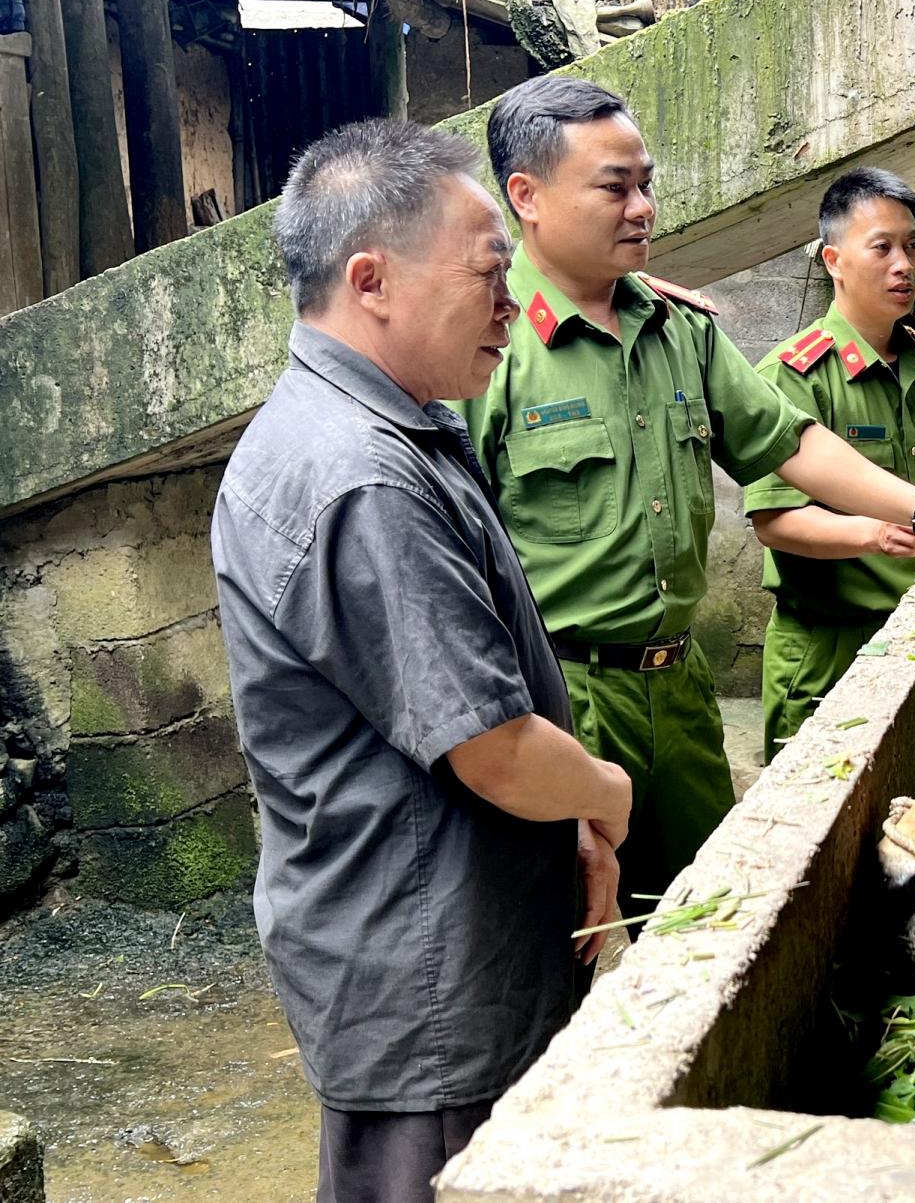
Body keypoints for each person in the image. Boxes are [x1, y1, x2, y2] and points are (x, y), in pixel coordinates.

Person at [459, 75, 915, 919]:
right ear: (526, 196)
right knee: (555, 938)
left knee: (701, 921)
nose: (643, 206)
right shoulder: (485, 354)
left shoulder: (680, 332)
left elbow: (790, 442)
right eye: (614, 187)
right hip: (560, 695)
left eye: (645, 182)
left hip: (679, 691)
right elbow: (459, 569)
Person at [210, 120, 632, 1203]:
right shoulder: (363, 476)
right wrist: (603, 794)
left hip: (425, 948)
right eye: (491, 273)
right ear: (373, 281)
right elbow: (491, 748)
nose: (510, 303)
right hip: (430, 983)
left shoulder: (374, 428)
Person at [745, 169, 915, 760]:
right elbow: (775, 523)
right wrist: (875, 534)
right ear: (835, 260)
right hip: (828, 652)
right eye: (881, 247)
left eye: (913, 245)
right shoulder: (791, 376)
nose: (903, 264)